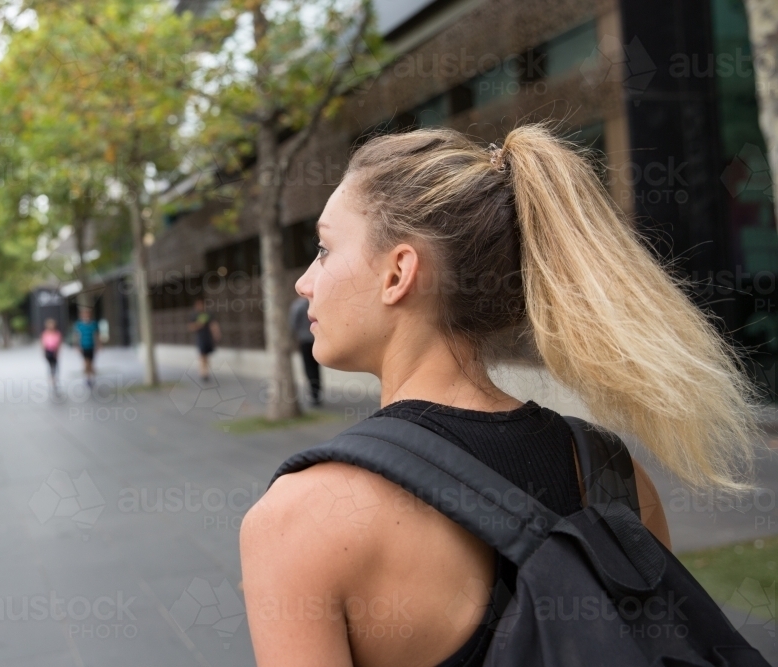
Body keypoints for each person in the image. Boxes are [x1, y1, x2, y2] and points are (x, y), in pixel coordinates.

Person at [239, 126, 760, 667]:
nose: (304, 282)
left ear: (398, 273)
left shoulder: (297, 521)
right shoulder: (614, 475)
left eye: (324, 249)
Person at [289, 295, 322, 407]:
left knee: (309, 368)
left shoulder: (297, 305)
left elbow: (293, 324)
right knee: (316, 367)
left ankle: (314, 394)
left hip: (305, 341)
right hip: (316, 339)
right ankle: (317, 392)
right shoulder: (316, 303)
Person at [187, 298, 221, 382]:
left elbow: (213, 324)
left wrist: (216, 333)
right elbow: (190, 327)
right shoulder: (194, 315)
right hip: (200, 337)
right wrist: (198, 325)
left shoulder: (208, 314)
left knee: (206, 355)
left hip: (208, 336)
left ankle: (206, 371)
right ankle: (203, 372)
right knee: (202, 354)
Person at [75, 307, 99, 389]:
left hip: (91, 346)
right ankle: (88, 378)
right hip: (83, 346)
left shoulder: (93, 324)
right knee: (86, 362)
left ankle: (91, 376)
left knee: (91, 363)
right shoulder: (79, 325)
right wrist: (77, 345)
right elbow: (77, 336)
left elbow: (96, 335)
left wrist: (99, 345)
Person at [41, 318, 62, 392]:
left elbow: (59, 343)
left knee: (55, 365)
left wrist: (57, 351)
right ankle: (52, 377)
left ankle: (55, 377)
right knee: (50, 365)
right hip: (48, 351)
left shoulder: (57, 333)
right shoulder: (45, 333)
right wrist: (43, 352)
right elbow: (43, 343)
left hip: (54, 351)